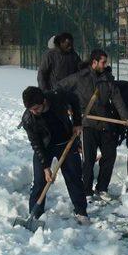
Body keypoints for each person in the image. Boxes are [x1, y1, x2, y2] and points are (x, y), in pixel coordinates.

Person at [56, 49, 128, 203]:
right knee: (88, 159)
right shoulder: (79, 77)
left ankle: (102, 188)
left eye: (106, 62)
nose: (105, 65)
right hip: (86, 123)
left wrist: (125, 118)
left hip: (106, 122)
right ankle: (86, 190)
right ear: (94, 62)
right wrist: (69, 107)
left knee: (109, 156)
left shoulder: (107, 79)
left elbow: (117, 99)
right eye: (103, 62)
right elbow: (58, 89)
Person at [20, 86, 90, 225]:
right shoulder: (28, 119)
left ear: (44, 101)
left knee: (74, 177)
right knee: (40, 181)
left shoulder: (57, 96)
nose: (34, 112)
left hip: (66, 142)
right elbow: (36, 144)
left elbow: (74, 99)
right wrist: (46, 167)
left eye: (36, 108)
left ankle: (81, 212)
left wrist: (76, 122)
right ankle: (35, 215)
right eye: (31, 109)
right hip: (44, 148)